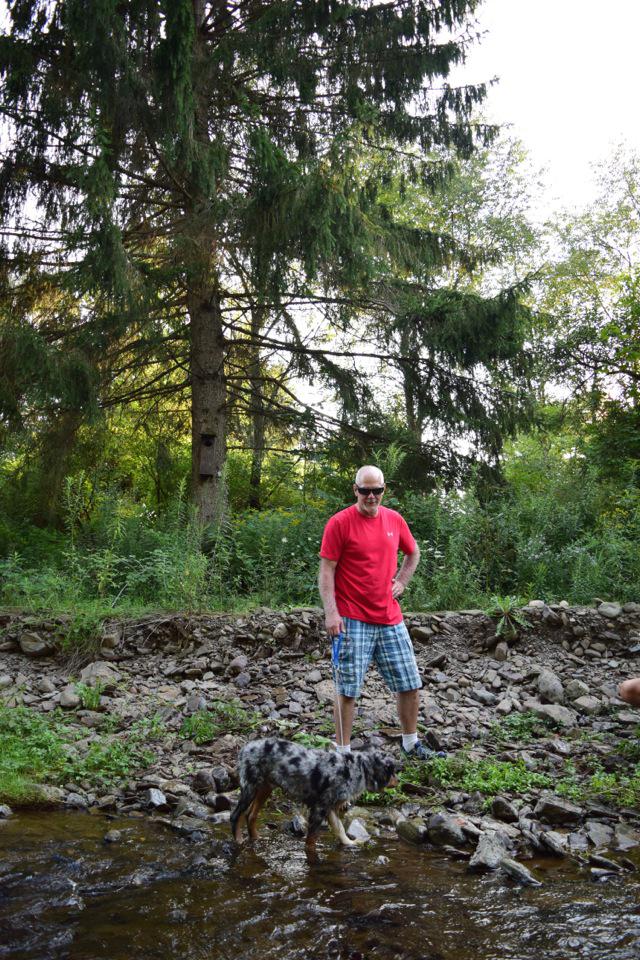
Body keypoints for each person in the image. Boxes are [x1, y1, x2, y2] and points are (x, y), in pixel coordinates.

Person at [318, 464, 442, 761]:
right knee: (347, 689)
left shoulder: (394, 520)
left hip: (389, 617)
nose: (371, 496)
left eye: (377, 490)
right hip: (351, 618)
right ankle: (343, 754)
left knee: (410, 682)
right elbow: (326, 571)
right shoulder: (339, 523)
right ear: (355, 490)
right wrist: (331, 613)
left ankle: (410, 744)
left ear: (384, 490)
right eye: (365, 490)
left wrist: (402, 581)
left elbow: (413, 552)